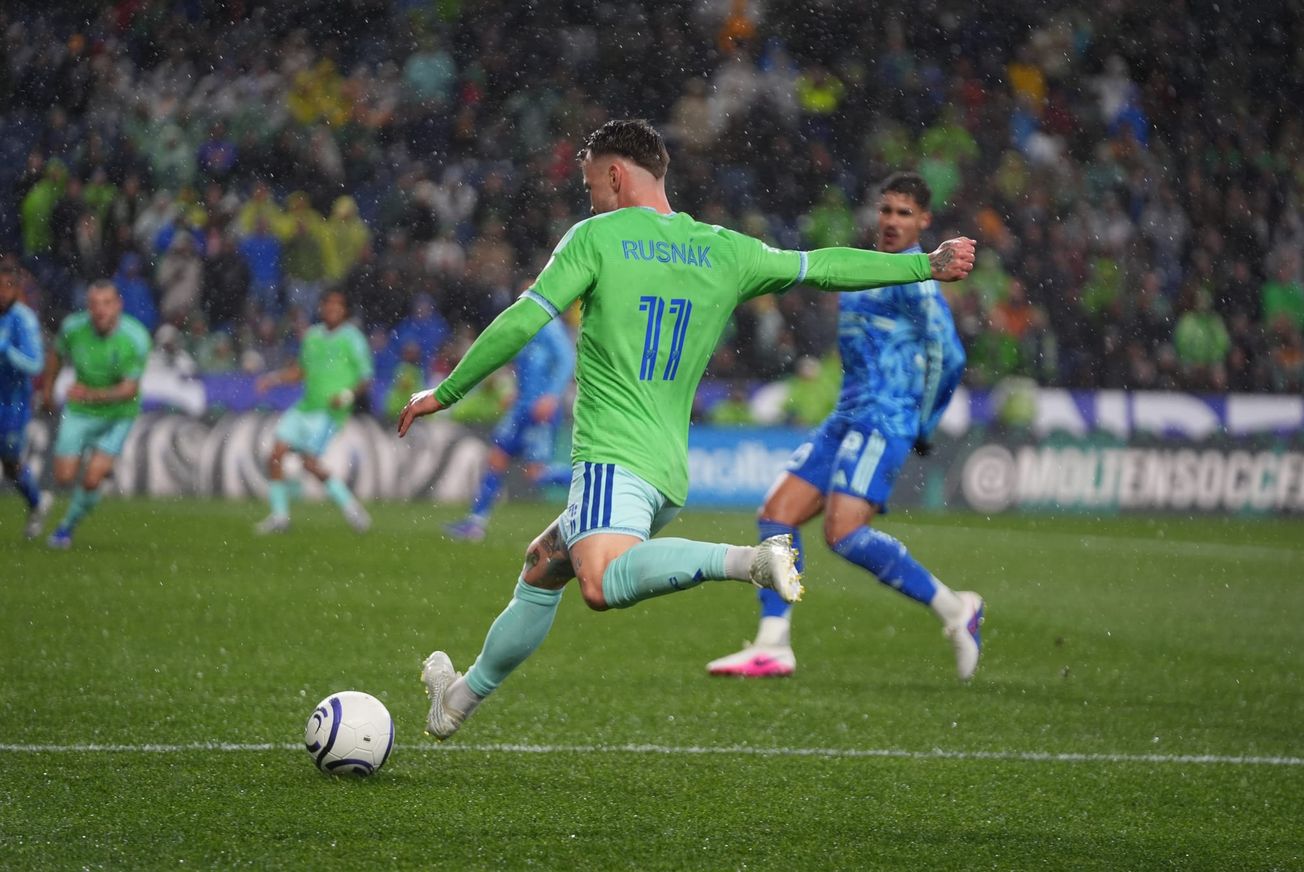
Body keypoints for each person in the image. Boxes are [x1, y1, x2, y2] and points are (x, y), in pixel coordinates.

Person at [397, 119, 976, 740]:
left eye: (591, 186)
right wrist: (924, 264)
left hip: (612, 457)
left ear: (615, 175)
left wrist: (446, 391)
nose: (590, 199)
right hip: (668, 473)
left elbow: (524, 319)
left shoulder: (596, 238)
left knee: (599, 581)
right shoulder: (725, 250)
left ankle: (748, 561)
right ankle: (454, 703)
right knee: (543, 565)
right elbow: (824, 267)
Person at [705, 172, 982, 681]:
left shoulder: (918, 282)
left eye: (904, 213)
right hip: (846, 417)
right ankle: (773, 644)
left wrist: (923, 422)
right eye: (886, 209)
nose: (892, 220)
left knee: (844, 533)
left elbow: (950, 357)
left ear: (923, 220)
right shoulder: (866, 267)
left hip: (885, 420)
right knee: (776, 514)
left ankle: (954, 609)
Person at [444, 316, 575, 541]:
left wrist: (551, 396)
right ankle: (475, 523)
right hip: (521, 409)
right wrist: (518, 390)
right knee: (496, 458)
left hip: (538, 411)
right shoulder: (529, 323)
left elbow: (566, 359)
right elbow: (525, 366)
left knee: (535, 473)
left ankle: (587, 480)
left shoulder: (549, 325)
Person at [42, 280, 152, 549]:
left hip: (118, 415)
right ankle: (97, 470)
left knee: (91, 479)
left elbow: (128, 390)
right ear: (87, 307)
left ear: (118, 305)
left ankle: (66, 528)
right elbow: (56, 355)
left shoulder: (136, 338)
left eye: (107, 303)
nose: (100, 310)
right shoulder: (73, 328)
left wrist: (91, 394)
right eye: (94, 304)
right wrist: (48, 390)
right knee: (64, 477)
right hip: (80, 412)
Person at [254, 288, 373, 534]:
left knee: (309, 463)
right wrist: (273, 378)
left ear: (345, 310)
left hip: (329, 412)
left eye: (338, 304)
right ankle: (279, 517)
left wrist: (347, 395)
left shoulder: (353, 338)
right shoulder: (312, 336)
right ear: (321, 307)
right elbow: (301, 371)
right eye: (328, 303)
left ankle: (351, 508)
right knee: (275, 456)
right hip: (305, 406)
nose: (332, 308)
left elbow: (366, 378)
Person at [0, 263, 53, 538]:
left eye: (8, 286)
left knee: (10, 464)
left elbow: (35, 364)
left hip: (13, 403)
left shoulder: (24, 320)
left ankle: (36, 503)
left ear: (16, 289)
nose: (2, 292)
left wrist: (7, 351)